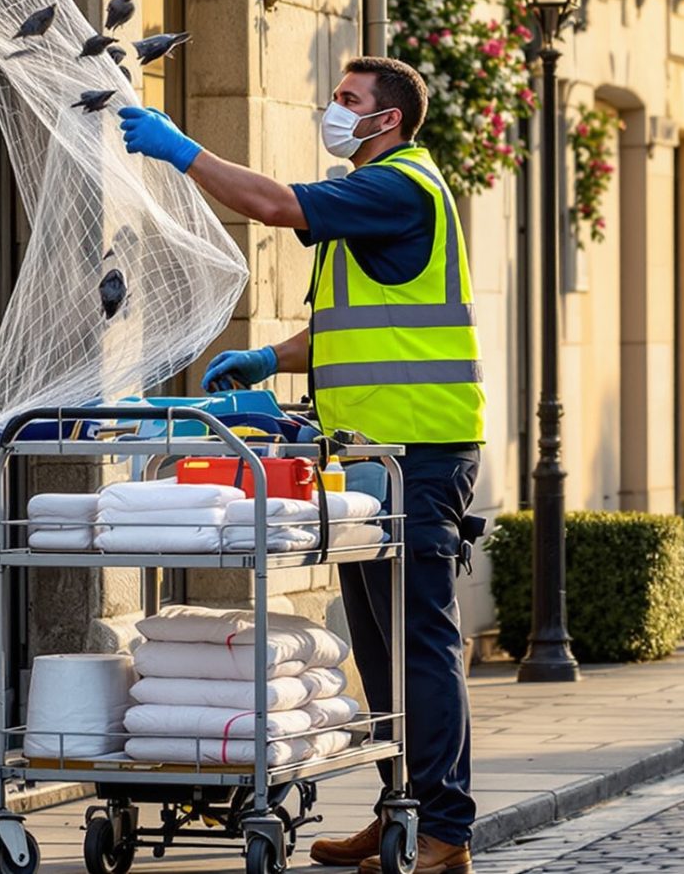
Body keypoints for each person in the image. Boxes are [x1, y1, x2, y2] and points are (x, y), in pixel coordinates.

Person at [119, 56, 481, 874]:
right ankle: (402, 810)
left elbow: (275, 204)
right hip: (373, 455)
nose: (334, 108)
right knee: (381, 646)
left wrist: (181, 149)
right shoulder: (378, 196)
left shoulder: (400, 185)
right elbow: (345, 329)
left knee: (419, 643)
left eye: (350, 98)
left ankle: (445, 831)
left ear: (388, 118)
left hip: (419, 451)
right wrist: (268, 358)